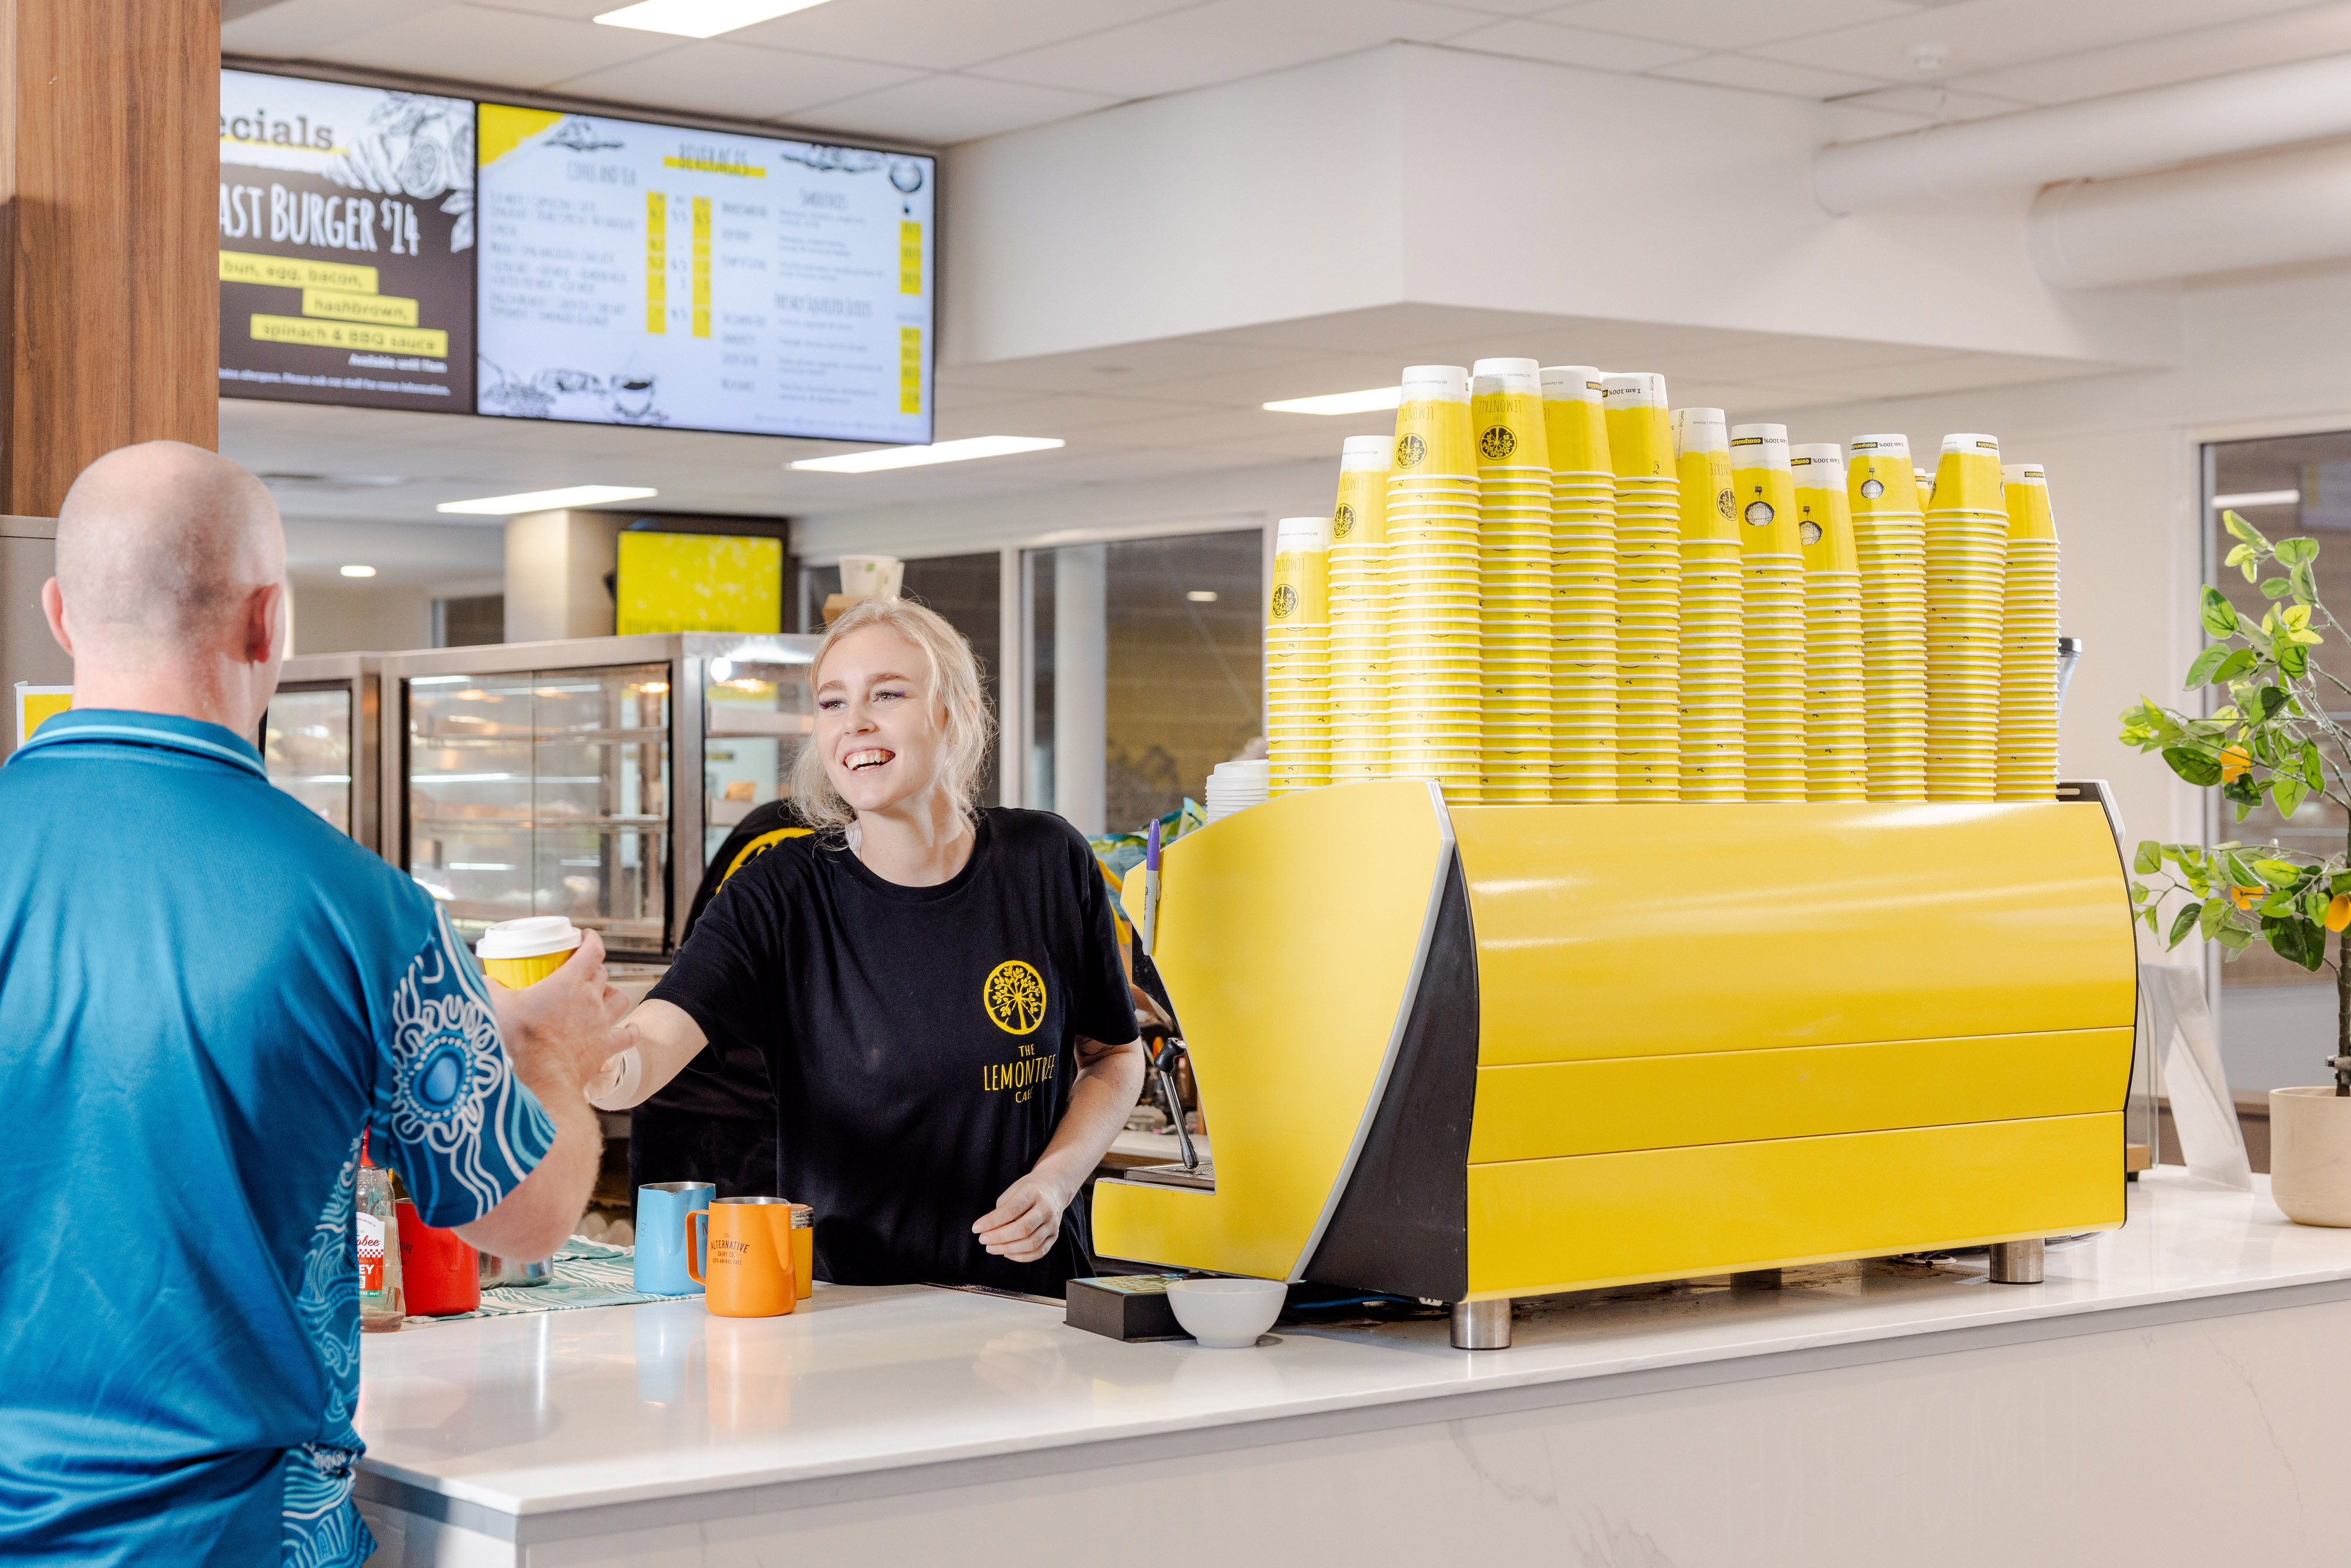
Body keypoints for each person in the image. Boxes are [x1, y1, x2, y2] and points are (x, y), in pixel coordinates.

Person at [0, 443, 627, 1566]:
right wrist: (548, 1048)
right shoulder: (363, 911)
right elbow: (526, 1218)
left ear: (60, 615)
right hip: (232, 1533)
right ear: (268, 621)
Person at [592, 596, 1147, 1291]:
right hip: (852, 1310)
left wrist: (1056, 1179)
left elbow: (1113, 1055)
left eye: (887, 694)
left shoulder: (1046, 861)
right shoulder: (781, 893)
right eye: (832, 702)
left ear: (956, 712)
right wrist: (576, 1046)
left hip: (1030, 1305)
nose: (854, 721)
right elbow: (643, 1057)